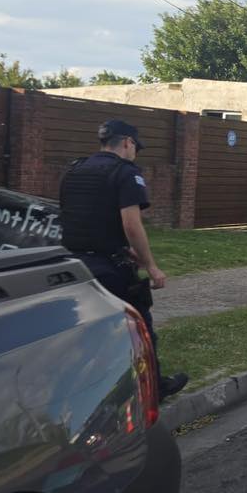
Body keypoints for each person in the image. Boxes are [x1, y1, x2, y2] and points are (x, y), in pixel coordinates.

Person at [59, 119, 188, 398]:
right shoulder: (125, 173)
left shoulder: (75, 170)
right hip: (109, 268)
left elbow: (81, 217)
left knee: (89, 330)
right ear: (128, 143)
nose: (135, 153)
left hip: (73, 265)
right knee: (137, 326)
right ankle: (152, 389)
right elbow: (131, 224)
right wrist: (151, 266)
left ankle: (85, 392)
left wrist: (118, 246)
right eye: (135, 147)